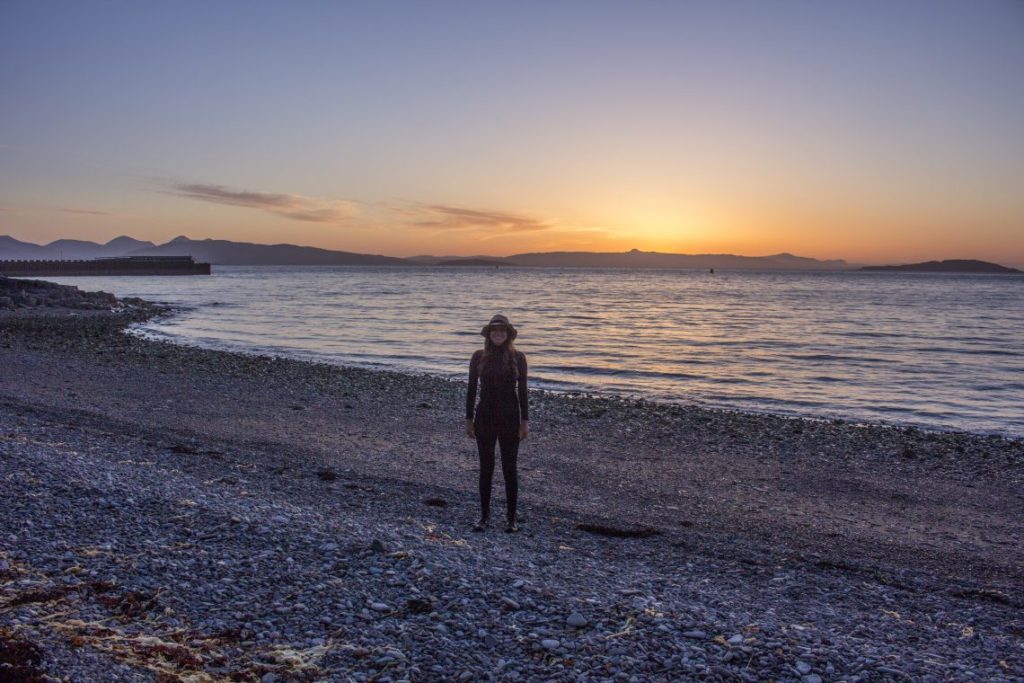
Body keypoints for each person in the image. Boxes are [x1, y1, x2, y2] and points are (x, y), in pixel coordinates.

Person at [465, 314, 529, 533]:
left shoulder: (518, 358)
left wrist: (525, 421)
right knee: (486, 468)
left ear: (508, 334)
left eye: (502, 331)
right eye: (494, 331)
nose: (498, 334)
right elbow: (472, 389)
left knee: (509, 469)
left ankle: (511, 519)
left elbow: (523, 391)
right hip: (484, 418)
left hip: (510, 418)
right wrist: (468, 419)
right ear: (489, 334)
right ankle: (484, 517)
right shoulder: (478, 357)